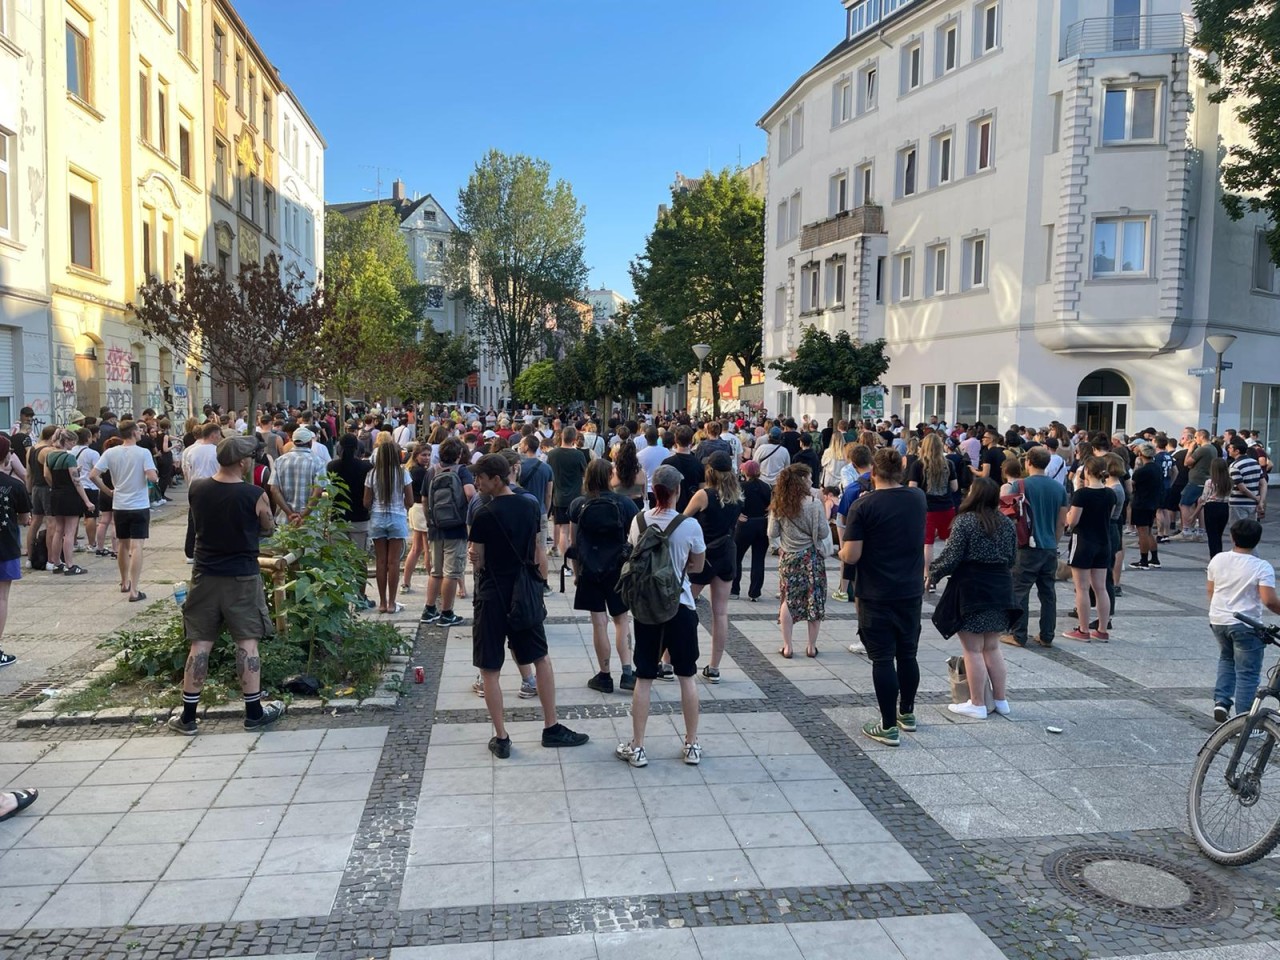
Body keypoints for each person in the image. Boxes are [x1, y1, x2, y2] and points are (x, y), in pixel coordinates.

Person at [468, 453, 589, 758]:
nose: (476, 482)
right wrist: (539, 582)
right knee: (540, 658)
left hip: (492, 595)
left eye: (480, 478)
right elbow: (537, 548)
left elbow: (478, 560)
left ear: (496, 479)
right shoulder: (531, 505)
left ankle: (502, 736)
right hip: (523, 591)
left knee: (490, 668)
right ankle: (551, 726)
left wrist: (475, 557)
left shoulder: (483, 514)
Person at [168, 434, 285, 735]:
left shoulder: (197, 489)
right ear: (244, 462)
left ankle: (189, 717)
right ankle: (253, 712)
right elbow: (268, 527)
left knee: (200, 643)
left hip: (205, 574)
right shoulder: (253, 494)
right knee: (247, 642)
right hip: (242, 576)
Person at [615, 463, 706, 768]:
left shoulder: (638, 520)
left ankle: (638, 746)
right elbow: (698, 566)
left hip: (646, 607)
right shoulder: (689, 526)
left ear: (654, 491)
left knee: (644, 677)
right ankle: (691, 744)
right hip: (680, 606)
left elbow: (634, 554)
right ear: (678, 491)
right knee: (686, 676)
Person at [840, 448, 927, 747]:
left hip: (876, 591)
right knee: (907, 653)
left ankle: (888, 725)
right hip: (911, 588)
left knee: (881, 659)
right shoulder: (918, 499)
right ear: (901, 471)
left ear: (872, 473)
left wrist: (839, 550)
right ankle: (908, 713)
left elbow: (852, 554)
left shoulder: (863, 507)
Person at [928, 479, 1018, 719]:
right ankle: (1001, 700)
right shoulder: (1006, 523)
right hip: (1000, 587)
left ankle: (977, 703)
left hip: (972, 588)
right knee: (992, 646)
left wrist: (932, 573)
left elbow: (951, 557)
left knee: (973, 650)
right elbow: (1011, 558)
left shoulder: (965, 522)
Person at [570, 458, 638, 694]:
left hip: (590, 569)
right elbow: (635, 540)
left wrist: (577, 573)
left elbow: (574, 544)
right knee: (621, 620)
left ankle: (604, 674)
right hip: (618, 570)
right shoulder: (625, 504)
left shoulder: (579, 504)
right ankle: (628, 672)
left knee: (599, 623)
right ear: (611, 476)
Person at [1208, 519, 1280, 721]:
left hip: (1219, 619)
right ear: (1257, 541)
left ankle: (1221, 701)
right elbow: (1269, 600)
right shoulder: (1261, 567)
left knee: (1226, 659)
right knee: (1248, 673)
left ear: (1232, 537)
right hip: (1247, 624)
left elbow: (1211, 590)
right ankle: (1244, 719)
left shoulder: (1218, 559)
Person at [685, 451, 743, 681]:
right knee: (720, 612)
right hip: (727, 553)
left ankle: (668, 661)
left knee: (684, 605)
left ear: (709, 471)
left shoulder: (703, 495)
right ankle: (714, 667)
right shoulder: (738, 495)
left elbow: (683, 519)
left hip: (703, 555)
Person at [1006, 447, 1069, 647]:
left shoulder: (1019, 485)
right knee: (1048, 592)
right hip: (1049, 546)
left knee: (1019, 591)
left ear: (1028, 462)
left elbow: (1009, 517)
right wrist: (1055, 541)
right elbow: (1061, 521)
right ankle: (1047, 635)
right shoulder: (1059, 488)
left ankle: (1018, 634)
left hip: (1026, 546)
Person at [89, 421, 158, 602]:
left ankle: (124, 582)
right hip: (139, 505)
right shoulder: (143, 453)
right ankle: (134, 590)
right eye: (140, 430)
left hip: (120, 504)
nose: (141, 433)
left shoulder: (111, 452)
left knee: (123, 545)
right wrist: (153, 476)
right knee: (137, 547)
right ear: (134, 433)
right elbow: (152, 476)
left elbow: (93, 475)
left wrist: (108, 491)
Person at [770, 463, 829, 659]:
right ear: (802, 480)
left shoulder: (779, 503)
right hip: (810, 557)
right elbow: (823, 531)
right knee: (814, 598)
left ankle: (788, 647)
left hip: (789, 556)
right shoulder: (814, 503)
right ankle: (811, 647)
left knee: (788, 599)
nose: (812, 480)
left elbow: (772, 532)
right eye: (810, 477)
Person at [421, 436, 475, 627]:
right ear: (459, 454)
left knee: (436, 571)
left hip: (436, 528)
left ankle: (429, 610)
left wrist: (430, 521)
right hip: (456, 527)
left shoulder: (431, 471)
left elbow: (425, 499)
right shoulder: (462, 471)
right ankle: (447, 613)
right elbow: (469, 493)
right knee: (451, 572)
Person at [1063, 456, 1114, 642]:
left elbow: (1072, 521)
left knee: (1082, 588)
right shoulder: (1110, 494)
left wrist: (1067, 515)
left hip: (1083, 541)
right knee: (1101, 588)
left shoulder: (1082, 494)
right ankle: (1102, 629)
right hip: (1103, 541)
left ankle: (1083, 629)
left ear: (1087, 472)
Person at [364, 440, 414, 614]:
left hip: (377, 517)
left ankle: (382, 603)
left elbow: (366, 501)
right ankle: (392, 603)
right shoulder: (403, 473)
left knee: (380, 562)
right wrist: (401, 507)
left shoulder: (372, 474)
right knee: (394, 562)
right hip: (397, 517)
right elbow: (410, 501)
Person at [908, 433, 957, 592]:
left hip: (927, 509)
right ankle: (952, 574)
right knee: (950, 542)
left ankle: (929, 578)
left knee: (927, 544)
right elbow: (955, 487)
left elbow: (912, 487)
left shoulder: (918, 465)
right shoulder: (949, 464)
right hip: (947, 508)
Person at [43, 428, 93, 575]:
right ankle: (70, 565)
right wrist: (87, 501)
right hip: (69, 496)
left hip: (56, 494)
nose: (74, 445)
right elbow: (76, 481)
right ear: (69, 441)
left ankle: (56, 562)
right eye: (73, 442)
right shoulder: (69, 457)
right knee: (70, 532)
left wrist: (56, 485)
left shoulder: (49, 456)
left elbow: (46, 474)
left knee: (58, 530)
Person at [0, 442, 31, 670]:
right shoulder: (14, 485)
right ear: (6, 458)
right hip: (5, 546)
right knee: (1, 597)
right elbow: (23, 518)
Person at [546, 425, 589, 560]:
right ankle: (575, 560)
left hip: (558, 496)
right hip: (576, 496)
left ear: (561, 436)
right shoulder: (579, 455)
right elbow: (585, 473)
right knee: (574, 531)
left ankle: (566, 564)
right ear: (575, 439)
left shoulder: (552, 454)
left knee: (563, 530)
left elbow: (549, 473)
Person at [732, 458, 771, 602]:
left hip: (745, 523)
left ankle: (734, 589)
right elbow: (770, 504)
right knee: (759, 559)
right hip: (762, 523)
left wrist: (737, 515)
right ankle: (755, 592)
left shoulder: (741, 486)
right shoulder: (766, 486)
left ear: (745, 471)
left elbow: (735, 503)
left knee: (737, 557)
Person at [269, 426, 324, 522]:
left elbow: (274, 489)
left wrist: (289, 513)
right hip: (310, 520)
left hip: (285, 519)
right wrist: (303, 515)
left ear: (293, 442)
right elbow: (318, 491)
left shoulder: (280, 461)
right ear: (310, 442)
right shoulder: (317, 462)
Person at [1128, 443, 1163, 571]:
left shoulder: (1141, 471)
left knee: (1142, 532)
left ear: (1140, 454)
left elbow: (1132, 486)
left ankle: (1143, 560)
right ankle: (1154, 558)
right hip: (1153, 502)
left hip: (1141, 503)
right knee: (1148, 531)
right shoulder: (1157, 468)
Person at [402, 445, 433, 594]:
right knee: (427, 549)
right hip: (422, 508)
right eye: (424, 455)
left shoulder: (411, 470)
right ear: (416, 456)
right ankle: (433, 581)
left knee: (416, 548)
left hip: (414, 508)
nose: (427, 458)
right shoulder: (421, 472)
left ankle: (406, 582)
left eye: (428, 455)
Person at [1191, 457, 1234, 559]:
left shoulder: (1210, 482)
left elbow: (1203, 499)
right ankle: (1219, 556)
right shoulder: (1229, 481)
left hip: (1211, 507)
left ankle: (1214, 558)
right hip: (1224, 507)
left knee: (1212, 536)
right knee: (1218, 535)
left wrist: (1194, 514)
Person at [663, 424, 704, 513]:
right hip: (693, 512)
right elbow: (702, 490)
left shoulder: (667, 463)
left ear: (675, 440)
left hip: (670, 510)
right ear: (691, 441)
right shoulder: (699, 464)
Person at [609, 438, 647, 511]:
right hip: (637, 507)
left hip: (618, 507)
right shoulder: (641, 473)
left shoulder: (613, 472)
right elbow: (645, 495)